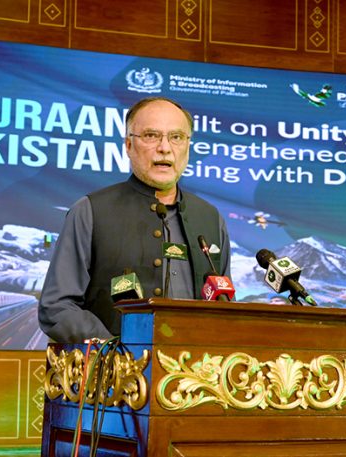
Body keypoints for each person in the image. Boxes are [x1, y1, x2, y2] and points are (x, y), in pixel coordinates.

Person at [38, 96, 231, 343]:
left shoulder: (210, 218)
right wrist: (115, 352)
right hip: (113, 365)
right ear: (128, 145)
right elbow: (57, 307)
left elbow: (225, 306)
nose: (165, 147)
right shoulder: (91, 211)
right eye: (151, 135)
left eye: (176, 137)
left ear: (188, 146)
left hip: (196, 364)